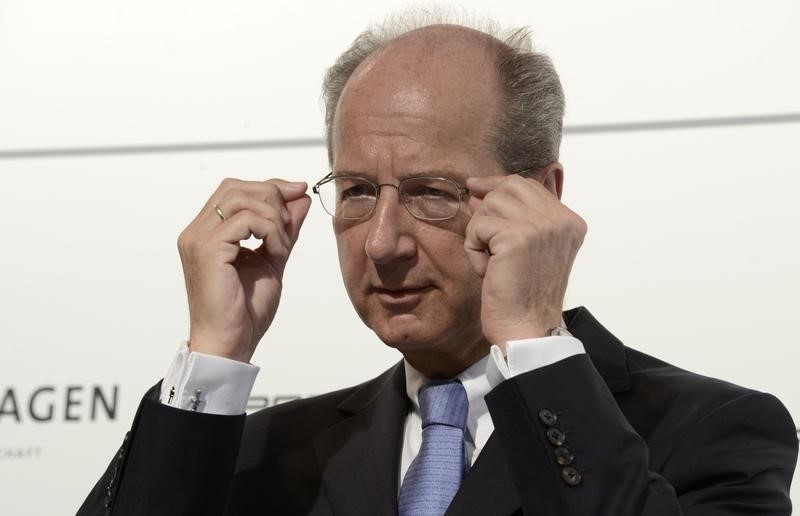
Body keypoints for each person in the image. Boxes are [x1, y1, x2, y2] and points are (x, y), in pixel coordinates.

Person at [78, 15, 797, 516]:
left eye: (431, 194)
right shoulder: (266, 451)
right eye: (357, 191)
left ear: (539, 198)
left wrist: (532, 337)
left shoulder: (714, 429)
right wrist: (215, 355)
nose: (383, 242)